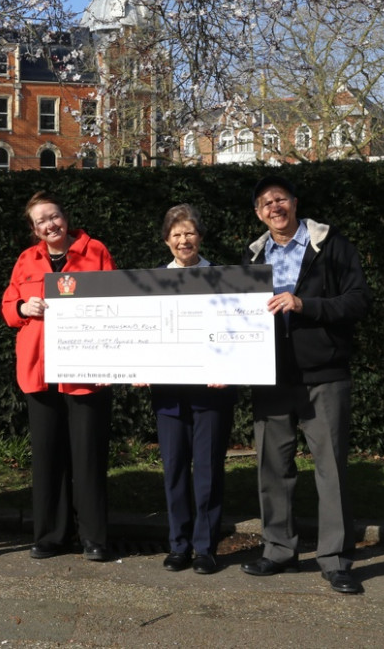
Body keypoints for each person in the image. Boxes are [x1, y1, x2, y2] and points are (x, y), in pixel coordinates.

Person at [240, 175, 371, 595]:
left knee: (330, 469)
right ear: (259, 213)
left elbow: (358, 300)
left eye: (279, 199)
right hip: (271, 376)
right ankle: (278, 549)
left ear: (294, 203)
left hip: (324, 375)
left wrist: (304, 304)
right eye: (265, 203)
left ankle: (335, 560)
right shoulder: (253, 255)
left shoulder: (330, 245)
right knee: (272, 468)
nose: (273, 207)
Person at [0, 191, 115, 562]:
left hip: (85, 369)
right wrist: (22, 306)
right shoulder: (26, 260)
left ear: (65, 217)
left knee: (88, 456)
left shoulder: (95, 251)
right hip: (39, 370)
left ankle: (94, 537)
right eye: (41, 221)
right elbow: (7, 307)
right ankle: (51, 534)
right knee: (48, 457)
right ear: (34, 229)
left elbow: (116, 302)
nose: (50, 225)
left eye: (54, 217)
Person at [149, 204, 237, 576]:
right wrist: (138, 366)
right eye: (177, 234)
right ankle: (178, 545)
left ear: (200, 237)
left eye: (190, 233)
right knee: (174, 470)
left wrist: (231, 368)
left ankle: (205, 548)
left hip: (212, 392)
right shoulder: (150, 283)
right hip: (169, 394)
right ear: (167, 240)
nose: (184, 240)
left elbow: (238, 333)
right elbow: (143, 334)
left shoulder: (224, 279)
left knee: (209, 469)